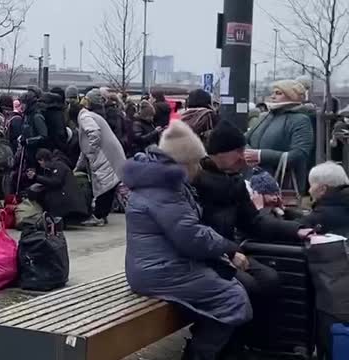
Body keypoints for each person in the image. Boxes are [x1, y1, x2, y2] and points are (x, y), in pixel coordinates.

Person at [124, 120, 252, 360]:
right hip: (161, 272)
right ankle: (197, 355)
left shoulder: (160, 182)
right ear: (183, 163)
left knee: (231, 286)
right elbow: (191, 236)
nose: (198, 170)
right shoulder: (164, 190)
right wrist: (228, 247)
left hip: (160, 267)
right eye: (195, 163)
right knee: (234, 297)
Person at [194, 121, 312, 354]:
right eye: (237, 151)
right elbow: (194, 233)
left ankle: (258, 343)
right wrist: (229, 251)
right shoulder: (195, 183)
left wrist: (294, 229)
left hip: (229, 252)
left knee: (270, 279)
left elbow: (253, 221)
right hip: (205, 254)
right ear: (218, 153)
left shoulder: (235, 181)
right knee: (246, 286)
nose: (243, 157)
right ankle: (232, 347)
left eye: (243, 150)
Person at [297, 162, 349, 360]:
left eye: (311, 185)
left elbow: (303, 226)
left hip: (335, 299)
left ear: (322, 189)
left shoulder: (324, 213)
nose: (308, 190)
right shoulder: (342, 204)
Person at [246, 80, 314, 195]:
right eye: (273, 93)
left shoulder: (301, 120)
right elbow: (245, 138)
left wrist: (260, 155)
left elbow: (300, 153)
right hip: (252, 179)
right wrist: (248, 153)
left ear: (292, 96)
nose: (272, 96)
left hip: (282, 184)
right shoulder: (264, 116)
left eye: (278, 93)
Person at [76, 89, 126, 227]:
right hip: (111, 154)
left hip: (104, 156)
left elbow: (94, 134)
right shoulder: (94, 115)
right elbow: (84, 147)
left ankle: (98, 216)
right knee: (108, 186)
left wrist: (92, 152)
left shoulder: (84, 116)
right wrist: (79, 165)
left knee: (105, 186)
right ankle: (101, 214)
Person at [27, 149, 88, 222]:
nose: (40, 165)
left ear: (42, 160)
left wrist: (36, 177)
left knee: (46, 194)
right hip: (66, 197)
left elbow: (56, 182)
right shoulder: (52, 167)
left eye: (40, 163)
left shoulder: (58, 165)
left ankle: (53, 216)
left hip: (68, 200)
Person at [18, 86, 48, 167]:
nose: (21, 106)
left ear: (29, 103)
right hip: (28, 153)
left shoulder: (37, 116)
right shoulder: (27, 115)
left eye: (23, 103)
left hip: (37, 155)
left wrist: (28, 141)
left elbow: (44, 136)